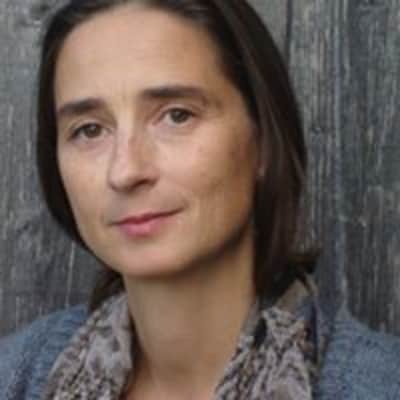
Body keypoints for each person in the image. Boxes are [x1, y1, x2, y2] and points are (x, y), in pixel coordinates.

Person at [1, 0, 400, 399]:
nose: (125, 171)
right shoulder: (16, 374)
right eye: (89, 130)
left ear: (264, 139)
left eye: (177, 115)